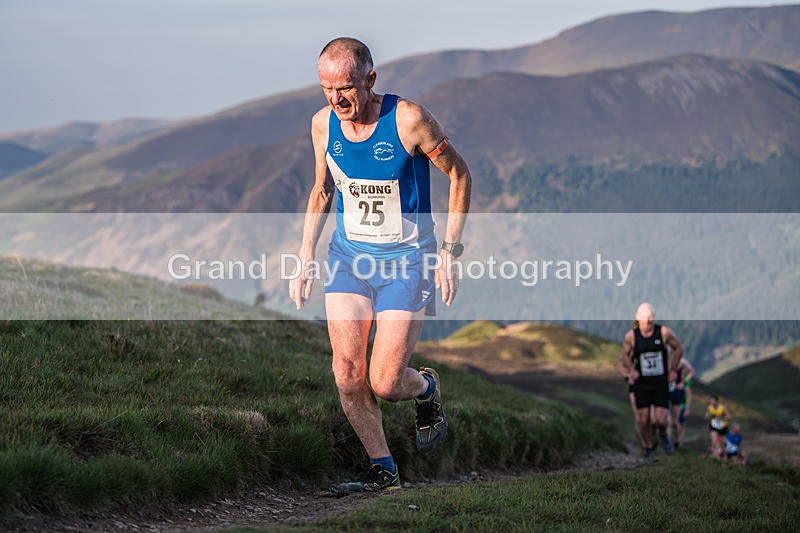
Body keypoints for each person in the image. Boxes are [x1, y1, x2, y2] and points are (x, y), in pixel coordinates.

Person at [289, 37, 472, 495]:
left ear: (370, 80)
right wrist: (304, 257)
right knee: (347, 374)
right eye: (327, 89)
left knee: (386, 382)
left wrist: (450, 253)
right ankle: (384, 470)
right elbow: (322, 191)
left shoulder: (408, 120)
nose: (336, 99)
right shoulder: (322, 124)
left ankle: (425, 388)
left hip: (408, 261)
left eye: (346, 88)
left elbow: (459, 174)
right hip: (349, 258)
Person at [619, 302, 684, 460]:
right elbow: (624, 356)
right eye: (644, 318)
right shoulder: (631, 336)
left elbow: (678, 348)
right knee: (643, 419)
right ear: (637, 318)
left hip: (660, 382)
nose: (647, 322)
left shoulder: (663, 332)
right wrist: (631, 371)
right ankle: (649, 448)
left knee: (660, 420)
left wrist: (672, 369)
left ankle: (663, 434)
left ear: (654, 318)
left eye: (650, 318)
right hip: (642, 383)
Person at [668, 356, 695, 449]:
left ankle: (677, 442)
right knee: (668, 420)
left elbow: (689, 393)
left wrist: (683, 382)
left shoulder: (681, 362)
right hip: (666, 393)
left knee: (676, 422)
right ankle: (669, 442)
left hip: (678, 396)